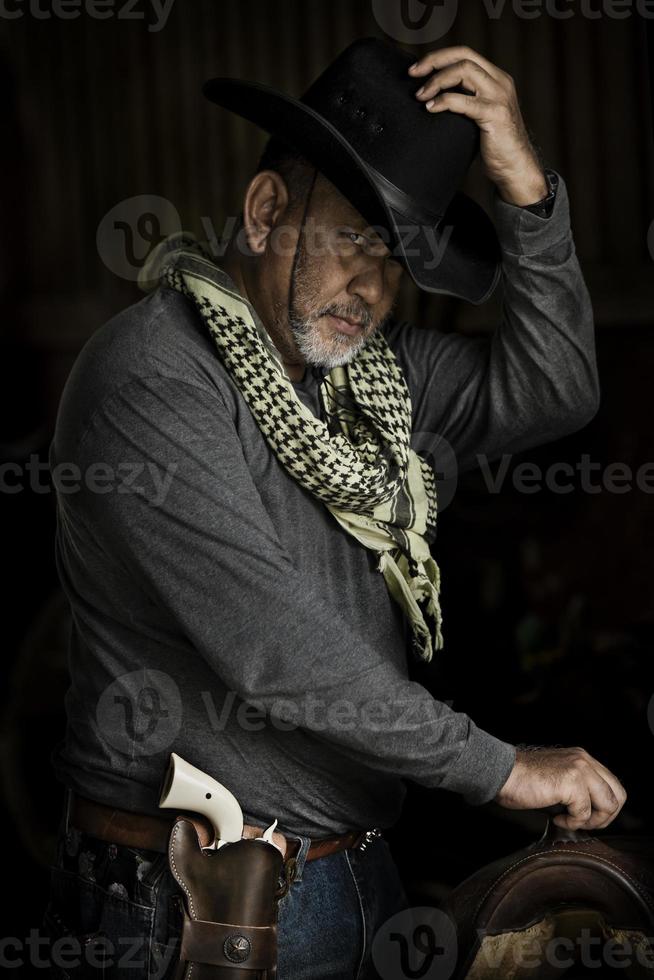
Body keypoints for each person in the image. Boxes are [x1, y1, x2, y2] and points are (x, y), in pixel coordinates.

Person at [41, 37, 625, 980]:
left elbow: (557, 386)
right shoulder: (152, 380)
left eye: (397, 264)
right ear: (269, 210)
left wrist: (529, 192)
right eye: (356, 240)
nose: (374, 290)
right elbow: (280, 653)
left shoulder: (375, 384)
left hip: (354, 879)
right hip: (188, 909)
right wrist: (505, 769)